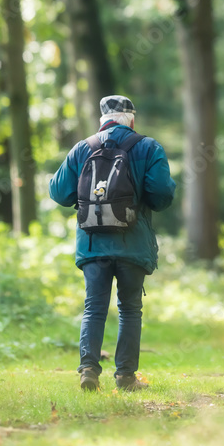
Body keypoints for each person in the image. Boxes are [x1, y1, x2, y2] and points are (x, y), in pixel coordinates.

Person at [49, 94, 175, 392]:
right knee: (130, 309)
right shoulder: (148, 147)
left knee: (94, 307)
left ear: (102, 120)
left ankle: (88, 369)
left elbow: (58, 193)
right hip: (133, 244)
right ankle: (125, 377)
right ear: (131, 119)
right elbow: (162, 196)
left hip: (93, 245)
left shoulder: (83, 148)